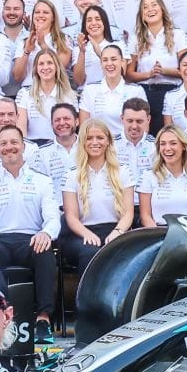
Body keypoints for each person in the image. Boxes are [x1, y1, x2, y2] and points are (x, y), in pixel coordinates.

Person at [0, 123, 61, 343]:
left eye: (14, 142)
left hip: (30, 240)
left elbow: (53, 217)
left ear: (23, 146)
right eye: (3, 143)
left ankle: (43, 320)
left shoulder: (42, 181)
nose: (9, 147)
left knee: (46, 252)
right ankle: (1, 315)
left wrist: (46, 233)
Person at [60, 118, 134, 278]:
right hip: (81, 233)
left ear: (108, 141)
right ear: (82, 142)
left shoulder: (123, 172)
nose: (95, 142)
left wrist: (118, 232)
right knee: (90, 252)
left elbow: (128, 213)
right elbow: (71, 217)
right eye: (89, 138)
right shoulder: (72, 175)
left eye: (100, 137)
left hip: (115, 229)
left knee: (121, 252)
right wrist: (86, 234)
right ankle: (87, 295)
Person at [139, 123, 187, 226]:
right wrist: (158, 234)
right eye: (163, 144)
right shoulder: (149, 175)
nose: (167, 148)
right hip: (159, 232)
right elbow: (145, 216)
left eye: (173, 143)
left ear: (183, 146)